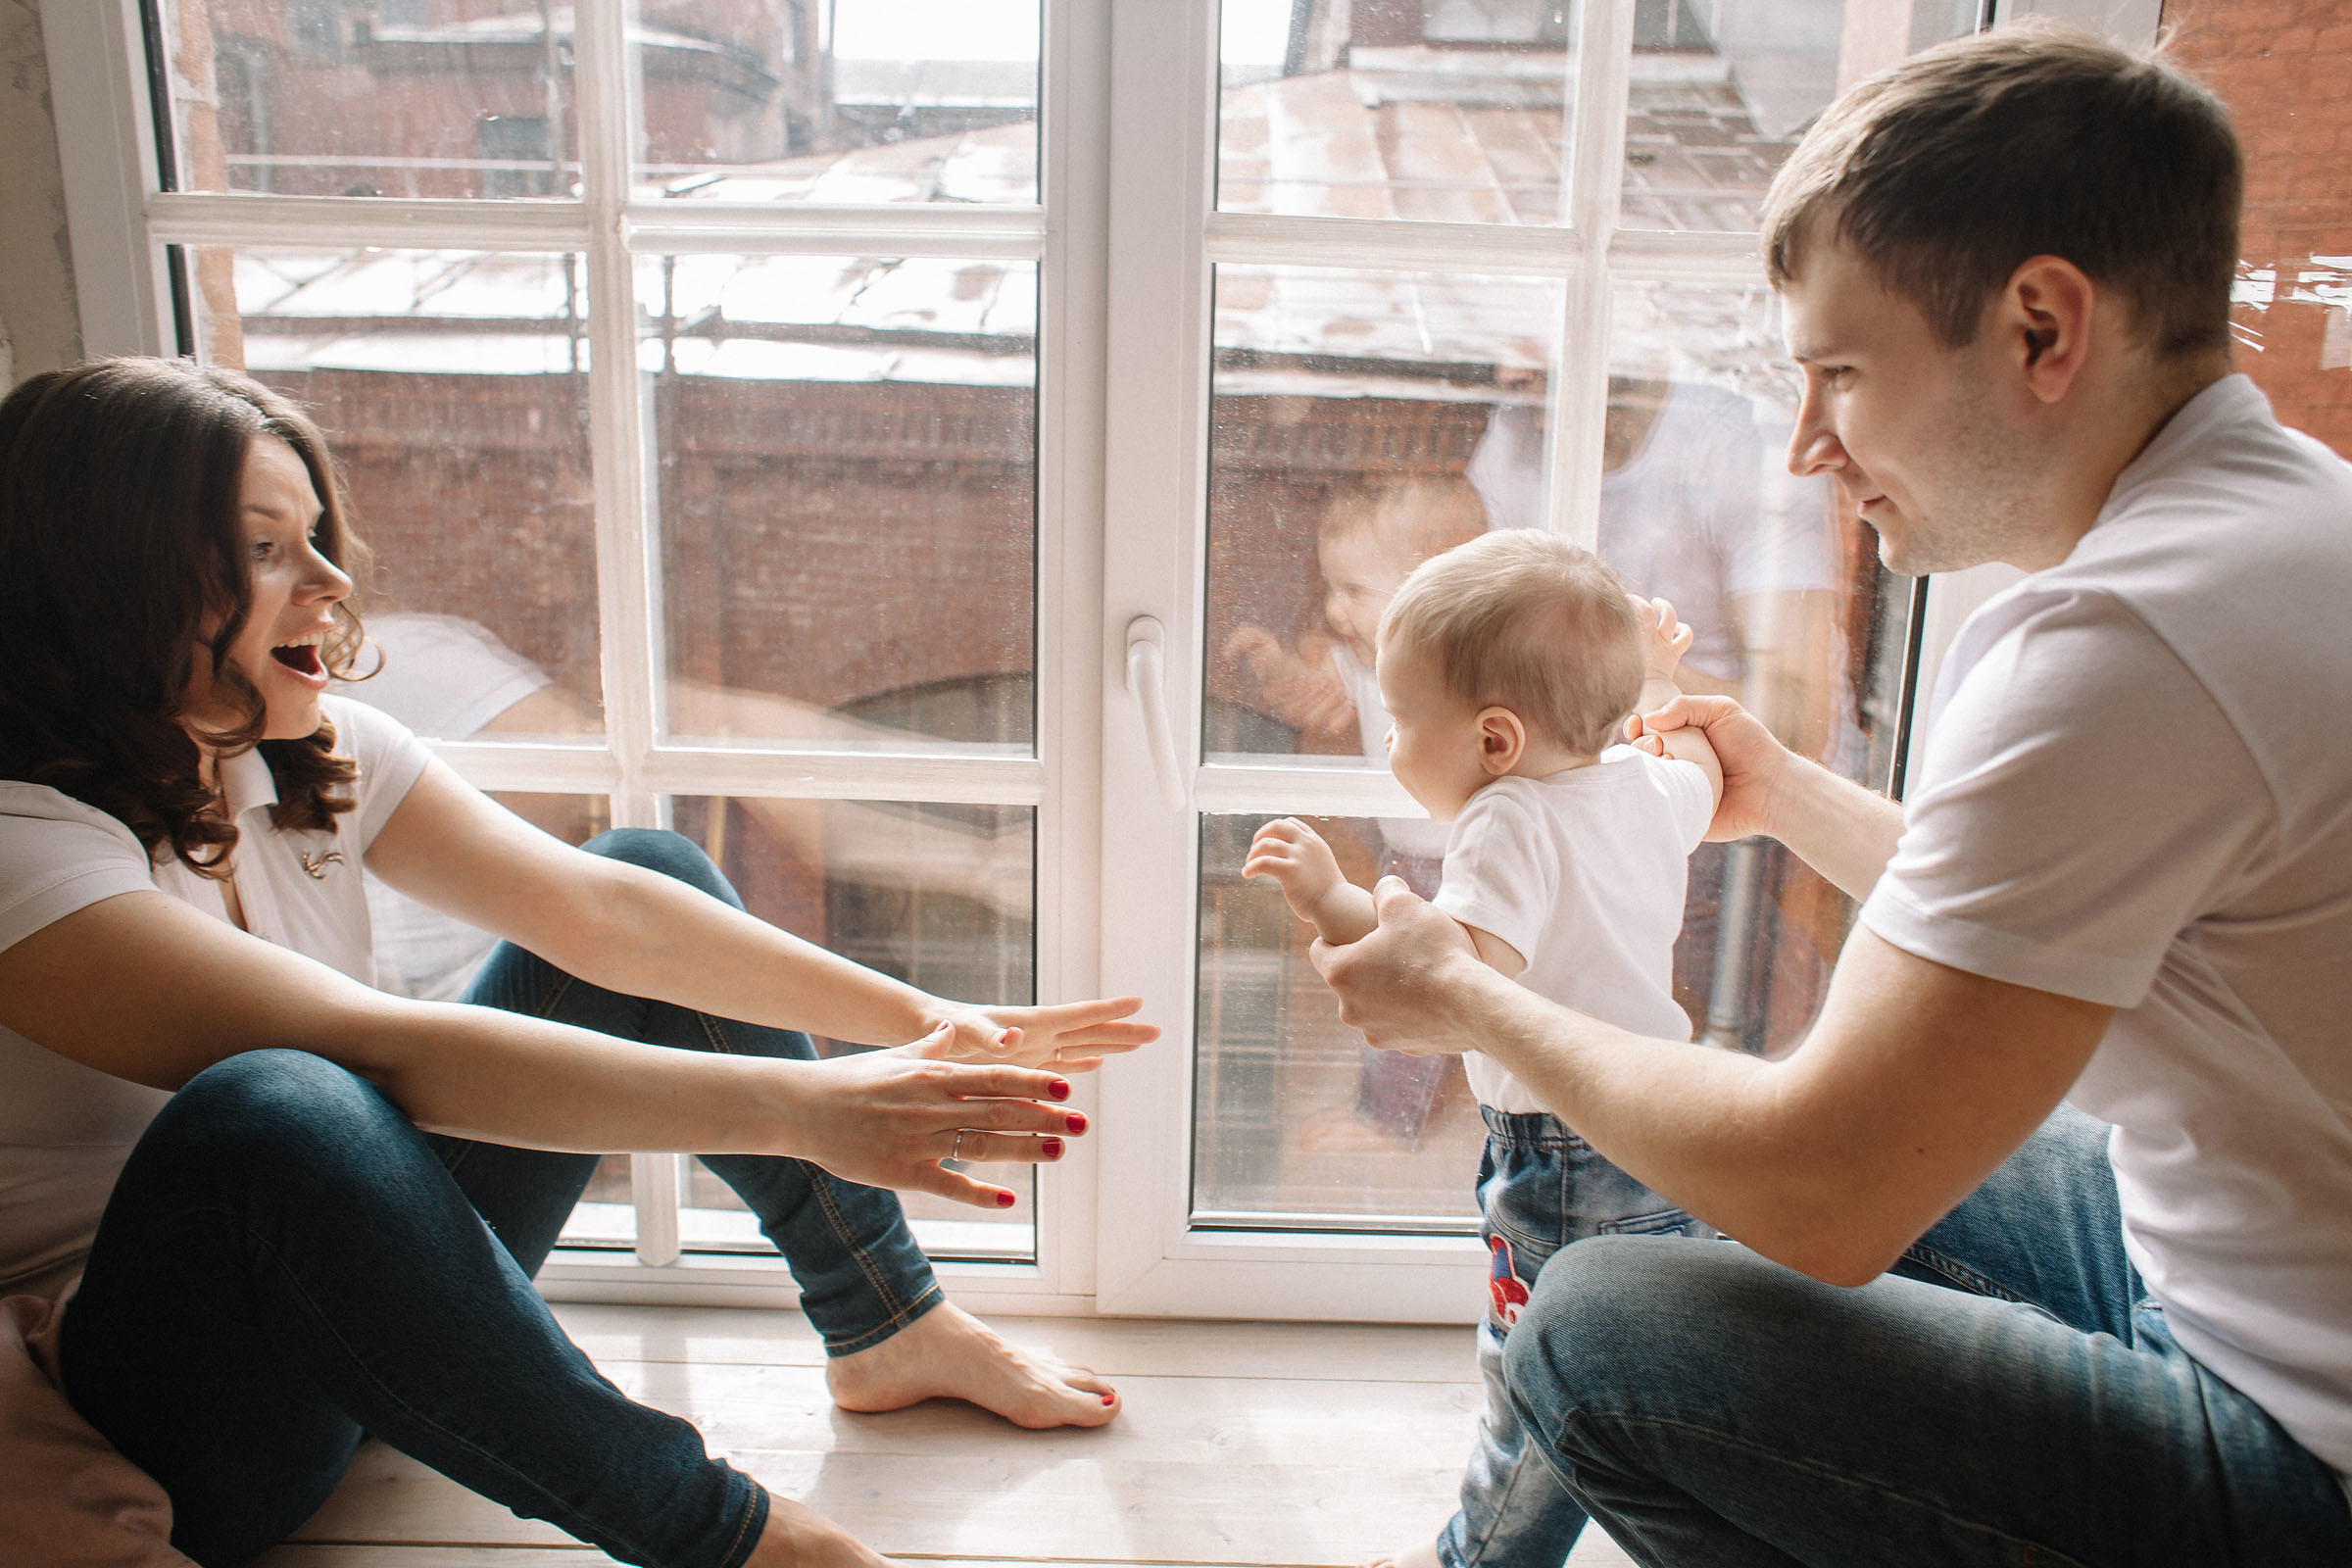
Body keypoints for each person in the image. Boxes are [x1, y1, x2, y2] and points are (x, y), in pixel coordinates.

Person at [1309, 24, 2352, 1566]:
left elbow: (1825, 1192)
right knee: (1842, 1107)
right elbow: (2062, 905)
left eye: (1842, 376)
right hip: (2264, 1279)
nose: (1807, 449)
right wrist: (1790, 793)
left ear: (2043, 328)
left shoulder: (2120, 648)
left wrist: (1470, 998)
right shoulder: (2286, 517)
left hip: (2293, 1453)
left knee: (1600, 1329)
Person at [0, 358, 1158, 1568]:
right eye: (268, 548)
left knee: (650, 861)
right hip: (183, 1422)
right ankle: (737, 1542)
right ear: (114, 581)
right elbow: (385, 1052)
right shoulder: (19, 845)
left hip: (380, 1324)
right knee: (276, 1105)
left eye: (317, 537)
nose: (334, 584)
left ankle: (887, 1320)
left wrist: (922, 1016)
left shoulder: (295, 754)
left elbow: (610, 918)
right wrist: (811, 1107)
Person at [1243, 529, 1724, 1568]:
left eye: (1404, 715)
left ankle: (1481, 1560)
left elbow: (1446, 983)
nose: (1388, 737)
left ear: (1496, 741)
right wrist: (1662, 682)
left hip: (1564, 1157)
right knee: (1646, 1354)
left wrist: (1330, 897)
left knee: (1535, 1380)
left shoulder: (1508, 819)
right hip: (1668, 1122)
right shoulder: (1642, 784)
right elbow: (1700, 765)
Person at [1225, 476, 1489, 1147]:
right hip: (1411, 851)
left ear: (1429, 590)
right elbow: (1309, 697)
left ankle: (1388, 1120)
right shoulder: (1360, 657)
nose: (1335, 610)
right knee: (1423, 977)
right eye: (1330, 589)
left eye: (1354, 591)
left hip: (1457, 855)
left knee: (1406, 981)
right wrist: (1276, 664)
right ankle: (1435, 1076)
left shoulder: (1462, 668)